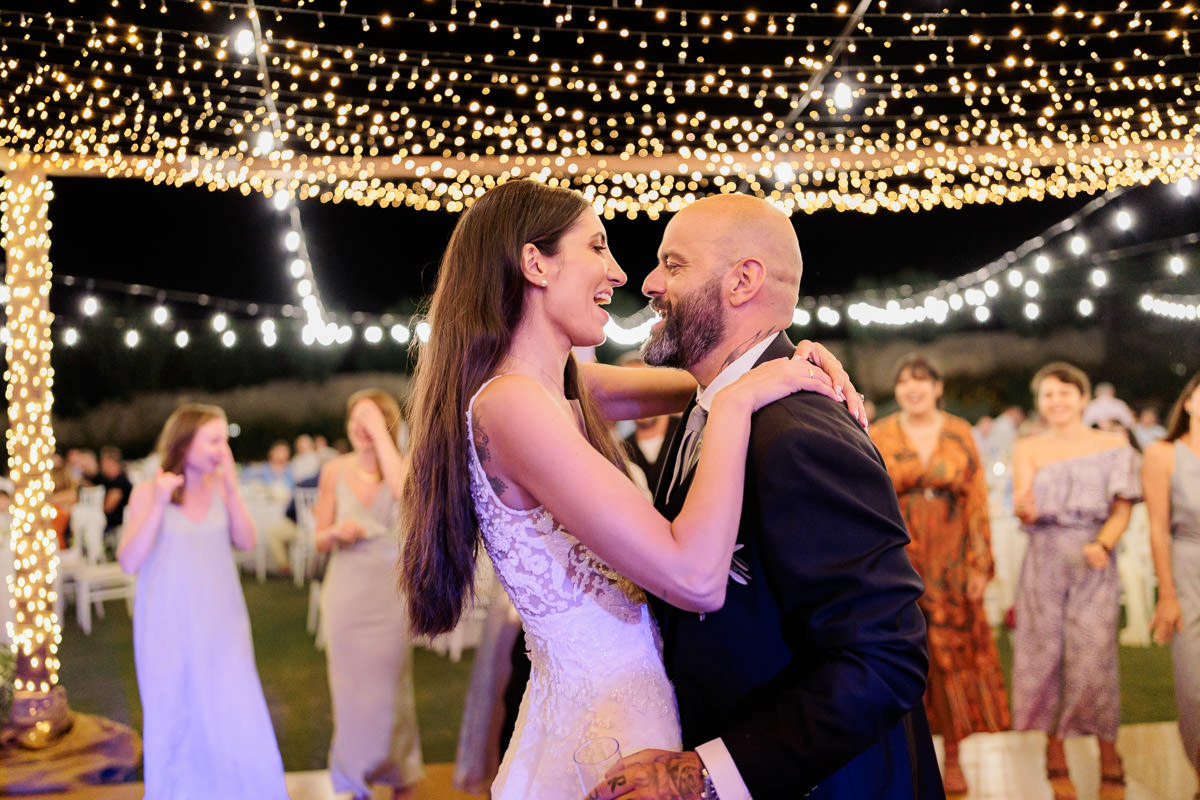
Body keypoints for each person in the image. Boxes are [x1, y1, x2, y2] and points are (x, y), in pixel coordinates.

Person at [400, 179, 864, 800]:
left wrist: (792, 362)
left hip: (636, 713)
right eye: (597, 246)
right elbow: (695, 576)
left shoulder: (558, 390)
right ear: (535, 263)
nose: (620, 274)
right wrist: (742, 401)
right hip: (601, 736)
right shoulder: (511, 405)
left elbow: (699, 381)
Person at [605, 193, 941, 800]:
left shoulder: (800, 431)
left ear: (743, 281)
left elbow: (885, 656)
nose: (650, 282)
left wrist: (708, 773)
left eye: (673, 265)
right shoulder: (703, 409)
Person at [116, 404, 287, 799]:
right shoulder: (149, 492)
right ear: (185, 441)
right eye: (213, 439)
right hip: (167, 626)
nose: (220, 448)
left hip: (223, 625)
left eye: (224, 440)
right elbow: (129, 560)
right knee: (175, 712)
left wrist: (230, 488)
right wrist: (158, 505)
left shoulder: (220, 488)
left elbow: (246, 541)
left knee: (235, 709)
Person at [870, 354, 1010, 795]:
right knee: (900, 656)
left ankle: (952, 755)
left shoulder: (959, 432)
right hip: (899, 560)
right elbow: (869, 499)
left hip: (951, 562)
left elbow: (977, 501)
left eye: (921, 381)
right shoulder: (880, 434)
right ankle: (909, 758)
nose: (913, 389)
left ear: (937, 387)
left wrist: (979, 563)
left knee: (950, 660)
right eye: (904, 382)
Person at [1011, 363, 1141, 800]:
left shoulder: (1113, 443)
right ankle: (1055, 753)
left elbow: (1123, 507)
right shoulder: (1027, 447)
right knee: (1045, 658)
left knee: (1094, 659)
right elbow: (1022, 503)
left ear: (1083, 399)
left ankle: (1110, 753)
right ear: (1040, 403)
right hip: (1043, 562)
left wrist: (1103, 544)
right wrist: (1025, 509)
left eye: (1066, 392)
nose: (1057, 401)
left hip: (1094, 561)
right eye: (1048, 394)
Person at [314, 388, 423, 799]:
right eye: (355, 419)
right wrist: (335, 533)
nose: (360, 427)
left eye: (370, 419)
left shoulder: (406, 466)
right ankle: (353, 779)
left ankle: (399, 776)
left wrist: (382, 439)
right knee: (349, 694)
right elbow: (319, 538)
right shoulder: (333, 471)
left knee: (392, 692)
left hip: (389, 597)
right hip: (346, 596)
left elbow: (404, 495)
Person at [1144, 372, 1200, 792]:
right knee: (1194, 685)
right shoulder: (1163, 453)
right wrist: (1166, 593)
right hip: (1187, 568)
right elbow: (1157, 528)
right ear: (1189, 401)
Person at [97, 446, 133, 533]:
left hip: (115, 525)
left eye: (104, 463)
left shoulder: (121, 482)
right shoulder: (108, 481)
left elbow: (109, 507)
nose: (102, 467)